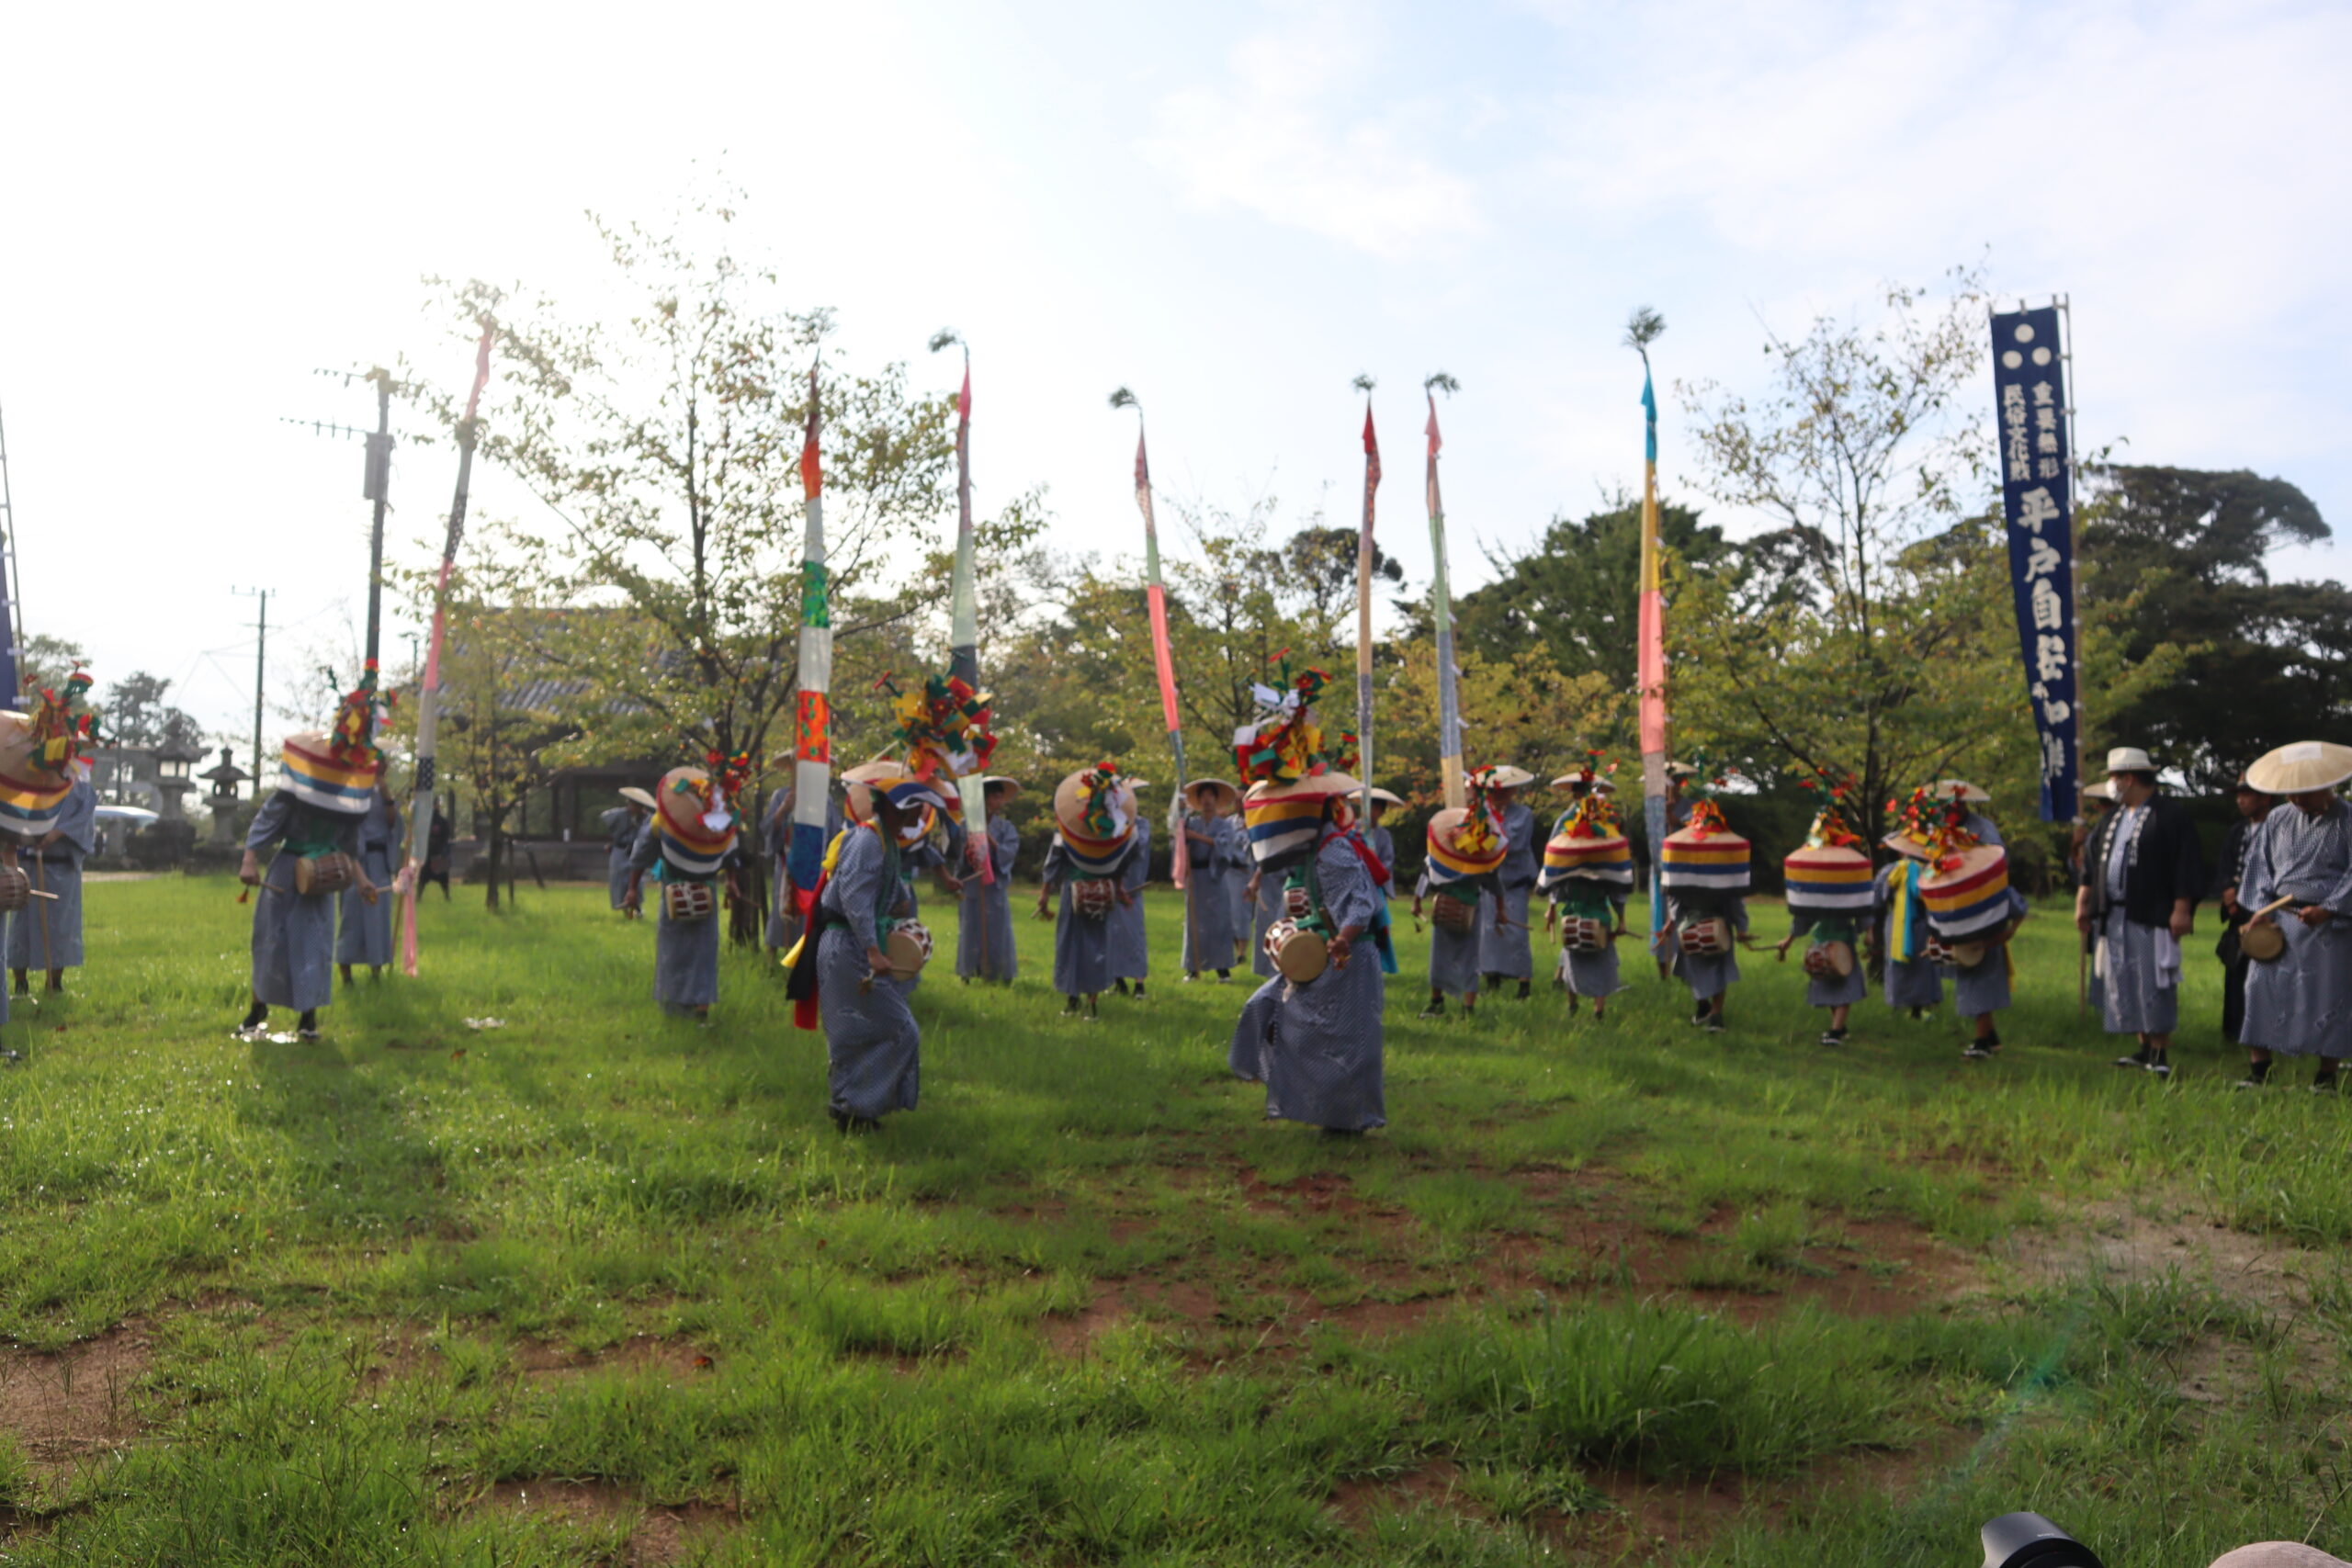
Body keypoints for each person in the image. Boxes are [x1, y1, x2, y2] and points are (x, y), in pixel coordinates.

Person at [1227, 773, 1386, 1134]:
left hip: (1349, 956)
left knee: (1344, 1039)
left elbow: (1362, 903)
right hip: (1325, 952)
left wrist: (1344, 938)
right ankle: (1324, 1108)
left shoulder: (1334, 851)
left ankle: (1347, 1120)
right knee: (1273, 1012)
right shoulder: (1317, 849)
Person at [238, 674, 389, 1042]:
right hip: (289, 869)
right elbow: (267, 822)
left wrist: (362, 879)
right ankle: (257, 1011)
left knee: (315, 944)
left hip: (325, 877)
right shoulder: (297, 788)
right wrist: (249, 859)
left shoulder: (349, 799)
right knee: (271, 940)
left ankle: (308, 1018)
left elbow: (348, 845)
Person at [814, 774, 957, 1130]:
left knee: (860, 1030)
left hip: (856, 944)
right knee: (897, 1029)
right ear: (897, 808)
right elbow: (855, 901)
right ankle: (854, 1106)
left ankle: (851, 1109)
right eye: (917, 808)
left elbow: (876, 897)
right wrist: (874, 952)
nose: (920, 816)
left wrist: (898, 902)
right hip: (849, 947)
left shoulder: (884, 841)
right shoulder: (866, 840)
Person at [2075, 747, 2204, 1078]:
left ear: (2129, 778)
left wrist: (2182, 908)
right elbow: (2092, 865)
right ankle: (2143, 1045)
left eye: (2115, 777)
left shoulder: (2170, 816)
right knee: (2124, 981)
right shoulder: (2113, 817)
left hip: (2152, 913)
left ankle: (2160, 1051)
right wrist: (2084, 903)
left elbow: (2185, 863)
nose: (2112, 784)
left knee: (2153, 980)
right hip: (2114, 914)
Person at [2233, 741, 2352, 1091]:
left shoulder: (2348, 818)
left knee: (2330, 994)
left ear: (2325, 784)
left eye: (2304, 793)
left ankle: (2326, 1074)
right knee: (2260, 987)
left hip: (2329, 920)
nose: (2296, 800)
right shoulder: (2278, 818)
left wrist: (2330, 906)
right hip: (2278, 918)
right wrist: (2259, 910)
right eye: (2291, 793)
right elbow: (2259, 867)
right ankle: (2260, 1069)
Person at [624, 762, 749, 1024]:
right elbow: (640, 858)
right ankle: (690, 1009)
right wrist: (633, 889)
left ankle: (691, 1008)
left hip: (686, 889)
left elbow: (639, 858)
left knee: (686, 951)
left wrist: (633, 888)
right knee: (695, 950)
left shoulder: (673, 823)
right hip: (692, 889)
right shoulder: (663, 823)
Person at [1038, 763, 1139, 1020]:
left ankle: (1083, 1002)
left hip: (1086, 891)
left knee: (1087, 946)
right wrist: (1119, 889)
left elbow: (1053, 864)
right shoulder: (1109, 833)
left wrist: (1044, 894)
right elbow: (1056, 863)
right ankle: (1078, 1001)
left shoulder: (1109, 832)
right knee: (1088, 946)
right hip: (1085, 892)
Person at [1778, 793, 1871, 1047]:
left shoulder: (1846, 882)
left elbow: (1861, 910)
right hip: (1821, 941)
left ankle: (1835, 1031)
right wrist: (1788, 940)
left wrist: (1869, 933)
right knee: (1831, 985)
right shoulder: (1816, 886)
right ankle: (1838, 1028)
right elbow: (1803, 917)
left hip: (1843, 940)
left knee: (1843, 985)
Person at [1539, 782, 1633, 1020]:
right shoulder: (1600, 857)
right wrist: (1621, 919)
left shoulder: (1571, 852)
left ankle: (1577, 1007)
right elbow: (1616, 892)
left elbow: (1556, 880)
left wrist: (1551, 909)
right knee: (1595, 961)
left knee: (1574, 960)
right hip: (1596, 914)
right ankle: (1596, 1011)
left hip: (1573, 914)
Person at [1660, 792, 1750, 1032]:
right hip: (1718, 925)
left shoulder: (1685, 872)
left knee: (1693, 967)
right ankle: (1713, 1014)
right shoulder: (1723, 871)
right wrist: (1741, 927)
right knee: (1717, 970)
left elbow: (1676, 898)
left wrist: (1671, 923)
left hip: (1689, 924)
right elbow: (1734, 902)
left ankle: (1706, 1010)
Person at [1414, 797, 1506, 1019]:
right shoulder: (1479, 857)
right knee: (1466, 958)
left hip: (1460, 908)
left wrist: (1417, 902)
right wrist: (1501, 911)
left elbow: (1427, 876)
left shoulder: (1454, 856)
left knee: (1446, 957)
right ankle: (1464, 1007)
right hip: (1466, 908)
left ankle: (1441, 1002)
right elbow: (1495, 884)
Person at [9, 769, 95, 997]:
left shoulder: (81, 785)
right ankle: (20, 984)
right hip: (27, 865)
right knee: (22, 926)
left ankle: (54, 982)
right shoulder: (27, 778)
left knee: (60, 926)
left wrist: (55, 834)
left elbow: (83, 817)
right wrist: (27, 836)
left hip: (62, 867)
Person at [2212, 773, 2276, 1047]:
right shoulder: (2238, 830)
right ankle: (2233, 1028)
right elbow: (2225, 865)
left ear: (2265, 797)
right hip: (2237, 912)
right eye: (2239, 794)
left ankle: (2266, 1033)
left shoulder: (2276, 827)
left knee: (2264, 972)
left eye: (2247, 794)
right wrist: (2228, 891)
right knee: (2235, 969)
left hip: (2266, 911)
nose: (2241, 800)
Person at [1473, 766, 1540, 999]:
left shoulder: (1523, 814)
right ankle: (1492, 978)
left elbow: (1514, 843)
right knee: (1488, 932)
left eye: (1504, 790)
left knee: (1517, 933)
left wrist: (1491, 833)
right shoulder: (1481, 812)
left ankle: (1524, 983)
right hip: (1489, 880)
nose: (1499, 795)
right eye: (1494, 791)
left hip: (1514, 880)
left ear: (1513, 791)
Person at [1875, 799, 1944, 1021]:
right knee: (1922, 965)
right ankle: (1919, 1008)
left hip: (1895, 924)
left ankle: (1898, 1005)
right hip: (1923, 924)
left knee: (1899, 965)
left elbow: (1877, 899)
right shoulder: (1929, 872)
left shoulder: (1889, 871)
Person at [764, 778, 843, 954]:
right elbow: (771, 829)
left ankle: (804, 957)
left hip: (815, 865)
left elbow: (834, 833)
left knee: (810, 913)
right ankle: (771, 961)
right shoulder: (782, 794)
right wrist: (784, 808)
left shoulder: (826, 799)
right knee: (782, 909)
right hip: (787, 863)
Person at [956, 776, 1022, 983]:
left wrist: (989, 840)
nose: (999, 801)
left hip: (995, 885)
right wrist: (970, 848)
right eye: (994, 796)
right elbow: (957, 855)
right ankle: (968, 971)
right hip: (973, 883)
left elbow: (1009, 852)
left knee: (998, 928)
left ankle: (1001, 973)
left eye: (1001, 797)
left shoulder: (1006, 827)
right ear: (984, 799)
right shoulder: (965, 825)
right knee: (970, 926)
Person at [335, 785, 402, 985]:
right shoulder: (350, 792)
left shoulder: (384, 793)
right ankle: (346, 974)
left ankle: (376, 972)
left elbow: (393, 824)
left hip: (379, 862)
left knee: (378, 918)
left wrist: (385, 790)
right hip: (354, 861)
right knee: (351, 917)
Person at [1179, 779, 1242, 982]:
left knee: (1219, 922)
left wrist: (1196, 837)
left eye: (1210, 796)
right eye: (1203, 796)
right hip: (1195, 877)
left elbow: (1225, 847)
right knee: (1195, 922)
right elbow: (1180, 842)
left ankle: (1222, 969)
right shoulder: (1192, 822)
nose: (1207, 800)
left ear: (1216, 799)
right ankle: (1193, 967)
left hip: (1214, 876)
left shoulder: (1225, 825)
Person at [1108, 784, 1152, 998]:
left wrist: (1126, 827)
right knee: (1112, 936)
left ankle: (1139, 984)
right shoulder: (1108, 822)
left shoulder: (1142, 824)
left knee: (1135, 937)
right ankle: (1118, 981)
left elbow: (1138, 847)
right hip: (1112, 889)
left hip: (1132, 888)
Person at [1363, 787, 1404, 976]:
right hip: (1358, 885)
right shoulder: (1353, 831)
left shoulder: (1383, 835)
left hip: (1376, 886)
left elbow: (1388, 860)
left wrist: (1375, 868)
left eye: (1376, 808)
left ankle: (1378, 964)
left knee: (1378, 928)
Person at [604, 788, 655, 917]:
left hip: (637, 851)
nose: (633, 807)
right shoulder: (620, 815)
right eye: (631, 804)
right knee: (619, 880)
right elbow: (610, 827)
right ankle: (625, 910)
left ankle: (637, 908)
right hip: (620, 850)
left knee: (636, 881)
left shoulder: (647, 818)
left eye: (636, 804)